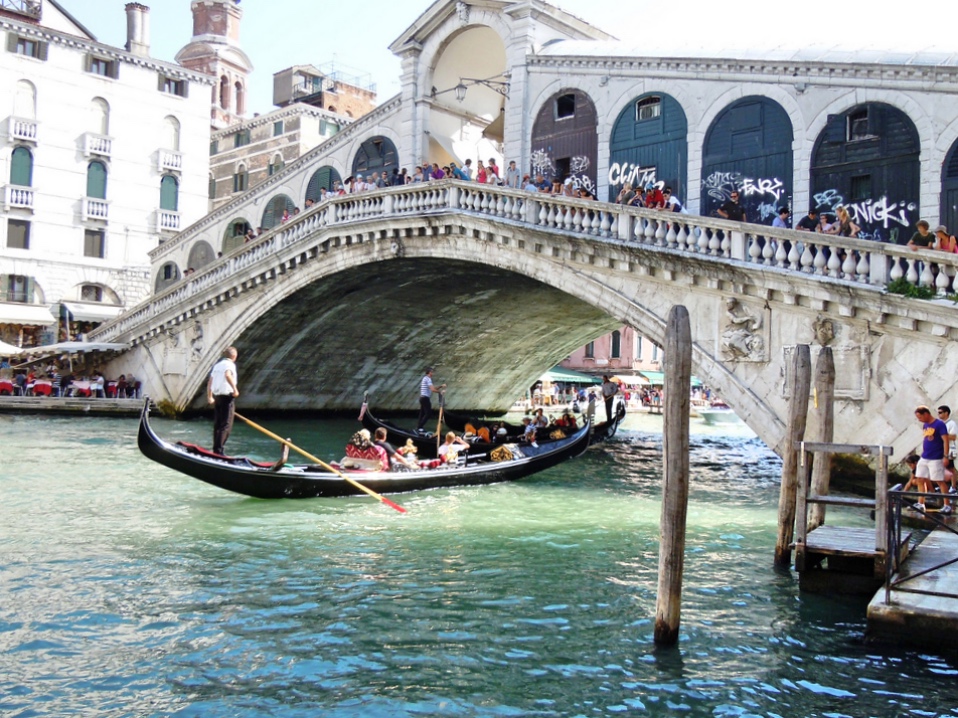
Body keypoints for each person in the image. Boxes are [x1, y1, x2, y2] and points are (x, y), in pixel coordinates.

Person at [912, 405, 951, 513]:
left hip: (936, 457)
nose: (919, 419)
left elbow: (945, 441)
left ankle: (947, 505)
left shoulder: (939, 424)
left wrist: (945, 456)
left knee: (939, 480)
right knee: (920, 478)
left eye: (920, 417)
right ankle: (921, 503)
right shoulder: (925, 425)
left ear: (926, 414)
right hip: (925, 456)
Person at [207, 346, 239, 455]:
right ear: (234, 356)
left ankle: (216, 449)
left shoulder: (217, 365)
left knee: (218, 424)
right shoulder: (230, 365)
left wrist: (210, 396)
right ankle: (219, 450)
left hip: (218, 397)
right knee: (226, 425)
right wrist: (235, 389)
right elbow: (227, 375)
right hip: (227, 397)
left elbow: (210, 381)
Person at [416, 367, 446, 432]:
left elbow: (433, 388)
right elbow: (432, 390)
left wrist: (440, 386)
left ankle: (419, 427)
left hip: (422, 398)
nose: (433, 373)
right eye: (432, 372)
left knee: (422, 413)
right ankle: (420, 427)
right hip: (425, 399)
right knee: (428, 413)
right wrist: (440, 392)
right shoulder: (428, 379)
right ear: (429, 372)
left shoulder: (425, 378)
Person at [939, 405, 958, 494]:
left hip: (950, 449)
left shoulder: (951, 424)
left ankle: (953, 486)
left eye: (940, 412)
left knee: (951, 468)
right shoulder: (940, 424)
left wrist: (941, 435)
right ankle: (944, 486)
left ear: (946, 413)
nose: (939, 415)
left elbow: (954, 436)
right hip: (941, 449)